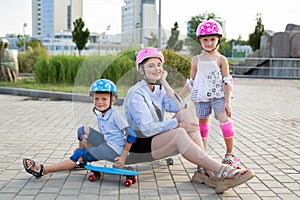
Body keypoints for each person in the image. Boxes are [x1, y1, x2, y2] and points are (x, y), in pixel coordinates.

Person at [123, 47, 254, 193]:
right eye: (151, 65)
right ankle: (222, 170)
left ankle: (204, 171)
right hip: (140, 145)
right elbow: (146, 129)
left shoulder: (157, 89)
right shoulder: (136, 94)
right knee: (179, 132)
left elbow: (179, 106)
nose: (157, 69)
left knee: (185, 113)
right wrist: (178, 124)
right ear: (141, 70)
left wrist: (165, 83)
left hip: (155, 139)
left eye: (159, 65)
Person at [23, 79, 137, 178]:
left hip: (113, 150)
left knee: (78, 155)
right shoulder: (101, 114)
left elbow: (131, 134)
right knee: (82, 130)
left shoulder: (115, 115)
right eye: (96, 98)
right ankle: (81, 161)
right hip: (107, 143)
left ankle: (43, 170)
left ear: (113, 100)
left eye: (104, 99)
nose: (100, 102)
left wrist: (122, 157)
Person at [179, 20, 236, 165]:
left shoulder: (221, 59)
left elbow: (226, 82)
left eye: (212, 39)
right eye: (205, 39)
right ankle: (203, 155)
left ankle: (230, 153)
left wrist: (228, 103)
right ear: (200, 40)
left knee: (225, 121)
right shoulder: (196, 60)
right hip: (201, 98)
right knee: (203, 125)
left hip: (219, 98)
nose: (209, 42)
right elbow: (190, 83)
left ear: (218, 40)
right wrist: (178, 97)